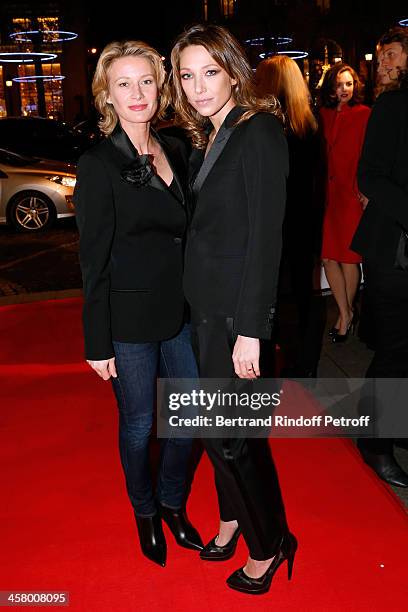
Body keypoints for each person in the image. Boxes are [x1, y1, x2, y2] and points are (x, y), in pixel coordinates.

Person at [170, 24, 296, 595]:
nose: (198, 87)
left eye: (209, 73)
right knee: (213, 428)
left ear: (233, 71)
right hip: (203, 310)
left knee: (232, 436)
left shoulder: (259, 131)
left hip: (233, 317)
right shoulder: (211, 134)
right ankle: (232, 517)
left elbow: (265, 239)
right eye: (187, 75)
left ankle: (271, 544)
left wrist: (252, 331)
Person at [73, 40, 203, 568]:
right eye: (123, 83)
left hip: (181, 310)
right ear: (107, 93)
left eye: (146, 80)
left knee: (192, 417)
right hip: (127, 318)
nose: (137, 93)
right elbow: (93, 261)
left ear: (161, 84)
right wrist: (95, 340)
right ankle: (145, 510)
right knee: (138, 424)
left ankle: (172, 501)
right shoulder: (98, 163)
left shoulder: (176, 147)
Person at [351, 26, 408, 487]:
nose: (386, 62)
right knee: (395, 348)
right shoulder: (392, 105)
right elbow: (369, 176)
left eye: (394, 54)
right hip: (393, 247)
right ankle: (373, 441)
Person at [256, 55, 322, 377]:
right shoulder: (309, 122)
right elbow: (317, 177)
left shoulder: (266, 125)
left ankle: (276, 360)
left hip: (275, 220)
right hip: (303, 218)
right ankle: (305, 363)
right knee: (302, 293)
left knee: (274, 294)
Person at [319, 63, 370, 342]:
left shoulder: (364, 114)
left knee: (349, 258)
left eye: (349, 84)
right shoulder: (323, 114)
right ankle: (347, 311)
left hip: (351, 194)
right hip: (328, 196)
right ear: (331, 87)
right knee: (328, 257)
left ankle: (344, 316)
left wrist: (364, 190)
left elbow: (369, 155)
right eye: (339, 84)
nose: (344, 90)